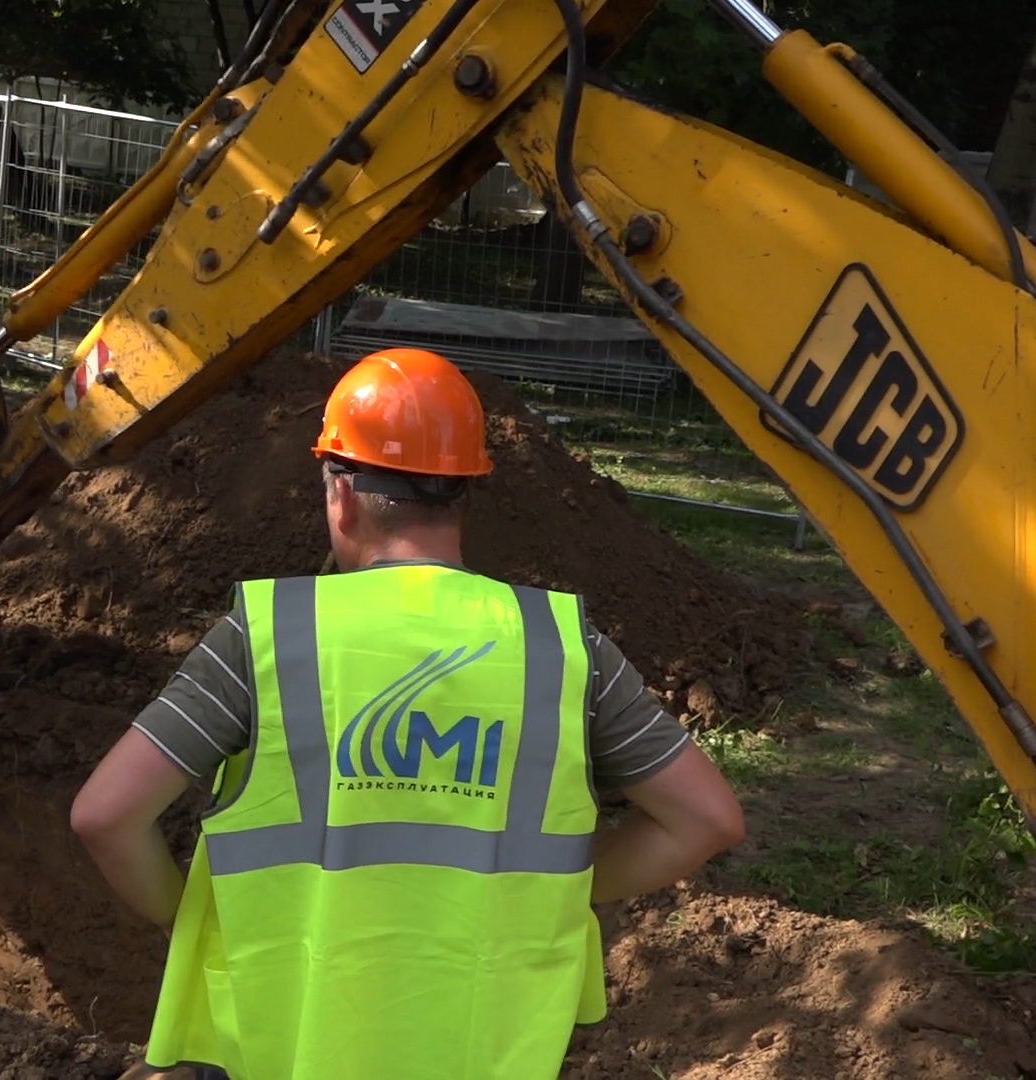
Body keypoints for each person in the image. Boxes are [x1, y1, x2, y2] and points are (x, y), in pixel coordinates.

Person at [70, 349, 746, 1079]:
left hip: (280, 1041)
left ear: (341, 493)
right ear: (464, 495)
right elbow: (706, 820)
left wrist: (193, 918)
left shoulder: (272, 633)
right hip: (487, 1046)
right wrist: (564, 886)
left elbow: (105, 816)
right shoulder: (559, 647)